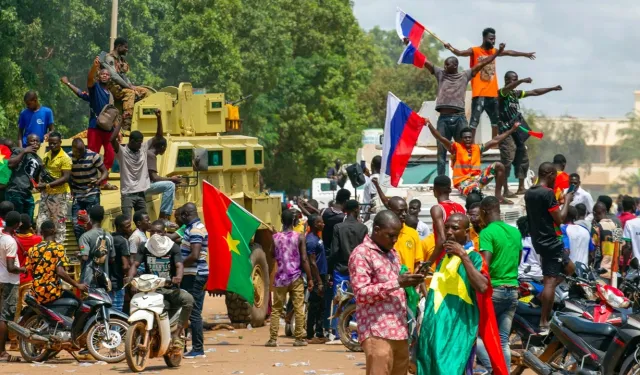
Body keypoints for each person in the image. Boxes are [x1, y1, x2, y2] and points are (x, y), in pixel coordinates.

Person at [417, 214, 505, 375]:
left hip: (459, 333)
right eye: (447, 228)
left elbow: (483, 287)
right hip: (435, 332)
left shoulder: (473, 257)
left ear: (467, 232)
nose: (449, 232)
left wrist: (463, 255)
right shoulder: (444, 259)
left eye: (455, 228)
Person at [349, 210, 425, 375]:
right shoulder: (362, 254)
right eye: (390, 235)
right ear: (376, 230)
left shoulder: (392, 253)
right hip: (377, 330)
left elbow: (397, 284)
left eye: (397, 235)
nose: (395, 240)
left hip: (398, 329)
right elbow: (361, 293)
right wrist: (397, 283)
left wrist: (410, 282)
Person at [422, 43, 506, 176]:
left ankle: (465, 178)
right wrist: (410, 46)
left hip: (459, 118)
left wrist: (497, 53)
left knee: (465, 150)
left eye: (447, 64)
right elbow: (425, 61)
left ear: (454, 65)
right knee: (441, 151)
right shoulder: (440, 74)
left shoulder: (465, 75)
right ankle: (442, 180)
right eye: (444, 65)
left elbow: (483, 63)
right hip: (443, 119)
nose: (444, 67)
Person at [443, 28, 535, 140]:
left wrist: (525, 54)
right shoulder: (475, 51)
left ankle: (494, 144)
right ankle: (470, 145)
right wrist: (450, 47)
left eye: (494, 39)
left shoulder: (494, 51)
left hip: (493, 94)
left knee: (495, 122)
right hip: (479, 93)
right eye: (491, 39)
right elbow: (460, 53)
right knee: (474, 122)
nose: (493, 41)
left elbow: (510, 52)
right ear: (484, 38)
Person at [126, 220, 193, 347]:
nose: (156, 234)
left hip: (169, 288)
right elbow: (135, 264)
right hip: (151, 288)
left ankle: (177, 333)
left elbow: (179, 265)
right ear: (149, 233)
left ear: (165, 233)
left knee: (188, 300)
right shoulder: (144, 247)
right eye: (153, 232)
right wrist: (130, 277)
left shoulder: (173, 247)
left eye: (159, 232)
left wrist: (178, 277)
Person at [525, 162, 574, 333]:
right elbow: (560, 218)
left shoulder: (530, 192)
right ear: (549, 174)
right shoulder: (547, 193)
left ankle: (540, 298)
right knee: (550, 282)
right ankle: (544, 321)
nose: (556, 180)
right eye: (555, 176)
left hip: (540, 240)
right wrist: (567, 201)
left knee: (570, 268)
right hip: (551, 241)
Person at [475, 197, 522, 372]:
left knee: (479, 336)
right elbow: (516, 261)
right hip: (513, 290)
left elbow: (484, 266)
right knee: (502, 340)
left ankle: (493, 369)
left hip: (494, 291)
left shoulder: (487, 232)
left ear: (484, 211)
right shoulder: (515, 232)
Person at [497, 71, 562, 196]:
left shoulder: (515, 94)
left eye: (516, 79)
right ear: (506, 80)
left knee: (523, 156)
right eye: (512, 80)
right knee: (507, 159)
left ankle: (521, 187)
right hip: (506, 132)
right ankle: (505, 190)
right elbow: (507, 89)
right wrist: (521, 81)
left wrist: (551, 88)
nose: (514, 82)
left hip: (517, 130)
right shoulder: (502, 93)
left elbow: (534, 92)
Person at [426, 120, 518, 203]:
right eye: (465, 138)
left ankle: (498, 196)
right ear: (461, 139)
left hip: (478, 179)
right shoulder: (456, 148)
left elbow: (495, 140)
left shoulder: (477, 148)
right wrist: (430, 125)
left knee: (499, 165)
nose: (468, 139)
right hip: (463, 182)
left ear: (472, 138)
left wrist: (512, 130)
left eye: (469, 137)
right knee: (474, 193)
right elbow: (441, 138)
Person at [267, 209, 314, 347]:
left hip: (280, 278)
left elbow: (271, 254)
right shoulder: (299, 237)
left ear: (282, 221)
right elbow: (304, 259)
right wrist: (310, 278)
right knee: (299, 307)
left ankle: (272, 339)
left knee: (276, 309)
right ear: (294, 222)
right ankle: (299, 338)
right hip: (296, 277)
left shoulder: (276, 237)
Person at [110, 108, 164, 218]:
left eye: (141, 142)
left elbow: (158, 137)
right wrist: (122, 121)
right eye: (138, 143)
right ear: (131, 141)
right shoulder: (122, 151)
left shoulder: (143, 148)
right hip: (127, 194)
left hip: (141, 194)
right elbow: (112, 139)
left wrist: (159, 118)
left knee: (143, 221)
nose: (140, 145)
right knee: (126, 221)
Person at [328, 199, 368, 341]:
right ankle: (356, 333)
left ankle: (339, 333)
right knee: (358, 300)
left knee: (340, 300)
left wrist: (329, 269)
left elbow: (335, 251)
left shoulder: (338, 228)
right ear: (356, 210)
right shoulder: (363, 228)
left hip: (341, 269)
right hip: (359, 270)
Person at [27, 220, 88, 305]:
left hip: (36, 292)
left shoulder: (32, 249)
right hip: (52, 293)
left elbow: (29, 270)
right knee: (78, 303)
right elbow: (60, 272)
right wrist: (77, 285)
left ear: (41, 232)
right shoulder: (58, 248)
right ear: (54, 231)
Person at [179, 203, 209, 357]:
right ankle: (182, 346)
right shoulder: (193, 228)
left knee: (194, 312)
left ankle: (198, 349)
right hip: (194, 274)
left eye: (180, 216)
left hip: (195, 275)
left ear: (186, 215)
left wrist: (178, 266)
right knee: (188, 310)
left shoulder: (196, 230)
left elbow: (195, 255)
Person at [103, 37, 150, 129]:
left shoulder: (121, 60)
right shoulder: (109, 58)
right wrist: (129, 87)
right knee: (130, 93)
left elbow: (123, 76)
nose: (127, 50)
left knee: (145, 92)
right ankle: (126, 124)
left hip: (121, 87)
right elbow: (114, 76)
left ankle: (139, 118)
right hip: (111, 88)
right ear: (118, 46)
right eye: (125, 47)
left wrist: (131, 85)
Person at [86, 57, 118, 190]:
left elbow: (112, 114)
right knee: (93, 154)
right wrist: (94, 67)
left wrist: (118, 130)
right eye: (102, 74)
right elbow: (89, 79)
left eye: (107, 74)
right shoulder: (95, 88)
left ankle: (104, 181)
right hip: (95, 126)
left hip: (108, 128)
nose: (104, 76)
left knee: (110, 154)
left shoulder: (110, 94)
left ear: (109, 77)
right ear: (99, 76)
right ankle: (92, 180)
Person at [36, 132, 72, 243]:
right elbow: (43, 172)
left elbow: (66, 178)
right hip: (46, 195)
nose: (52, 146)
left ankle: (59, 251)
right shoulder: (47, 155)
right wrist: (40, 183)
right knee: (40, 223)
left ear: (60, 143)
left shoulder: (65, 158)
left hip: (60, 195)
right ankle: (42, 249)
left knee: (59, 224)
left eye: (55, 143)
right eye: (50, 143)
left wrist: (47, 185)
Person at [69, 138, 108, 241]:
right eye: (77, 152)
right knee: (76, 223)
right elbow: (66, 175)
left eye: (82, 151)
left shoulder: (93, 156)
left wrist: (99, 181)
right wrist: (70, 188)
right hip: (77, 194)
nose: (80, 154)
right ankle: (82, 247)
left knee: (93, 222)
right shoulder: (68, 157)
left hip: (92, 193)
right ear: (73, 149)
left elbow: (105, 172)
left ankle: (94, 245)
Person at [0, 211, 25, 362]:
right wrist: (22, 269)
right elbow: (11, 267)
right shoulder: (10, 242)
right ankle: (2, 352)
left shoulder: (1, 237)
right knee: (4, 317)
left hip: (1, 279)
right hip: (9, 281)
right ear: (16, 225)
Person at [428, 175, 466, 264]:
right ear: (449, 189)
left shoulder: (437, 209)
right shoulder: (460, 207)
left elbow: (442, 239)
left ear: (435, 190)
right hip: (461, 258)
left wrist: (428, 263)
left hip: (445, 259)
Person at [5, 134, 42, 220]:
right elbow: (10, 164)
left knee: (28, 220)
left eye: (37, 141)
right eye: (33, 141)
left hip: (27, 193)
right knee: (15, 219)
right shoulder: (19, 150)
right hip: (15, 191)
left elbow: (36, 179)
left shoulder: (39, 160)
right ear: (27, 142)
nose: (35, 143)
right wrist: (24, 151)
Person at [78, 206, 115, 288]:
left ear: (90, 217)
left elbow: (84, 257)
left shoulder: (85, 236)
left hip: (88, 280)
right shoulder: (109, 236)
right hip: (104, 280)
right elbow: (112, 259)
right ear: (102, 218)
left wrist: (77, 255)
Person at [146, 138, 182, 220]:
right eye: (165, 147)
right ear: (162, 146)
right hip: (144, 187)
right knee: (170, 185)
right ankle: (164, 217)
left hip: (141, 185)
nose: (165, 150)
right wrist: (171, 179)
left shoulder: (147, 153)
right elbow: (154, 178)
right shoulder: (150, 155)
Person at [306, 214, 327, 344]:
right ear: (314, 224)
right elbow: (312, 262)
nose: (323, 224)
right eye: (320, 223)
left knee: (321, 306)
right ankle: (310, 334)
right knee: (314, 306)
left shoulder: (317, 238)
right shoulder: (311, 241)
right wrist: (318, 281)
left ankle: (319, 333)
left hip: (322, 275)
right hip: (316, 276)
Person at [15, 214, 41, 309]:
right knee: (26, 308)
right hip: (30, 278)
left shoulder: (13, 239)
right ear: (30, 225)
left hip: (15, 278)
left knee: (14, 309)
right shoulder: (38, 239)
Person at [592, 201, 623, 280]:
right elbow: (620, 247)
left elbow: (592, 249)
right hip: (614, 270)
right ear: (606, 212)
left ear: (594, 213)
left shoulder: (597, 228)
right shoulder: (617, 226)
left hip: (601, 270)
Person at [110, 214, 132, 312]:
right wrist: (128, 278)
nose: (130, 229)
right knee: (117, 310)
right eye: (127, 227)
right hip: (118, 281)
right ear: (119, 227)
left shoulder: (110, 238)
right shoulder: (123, 241)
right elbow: (125, 265)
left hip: (107, 281)